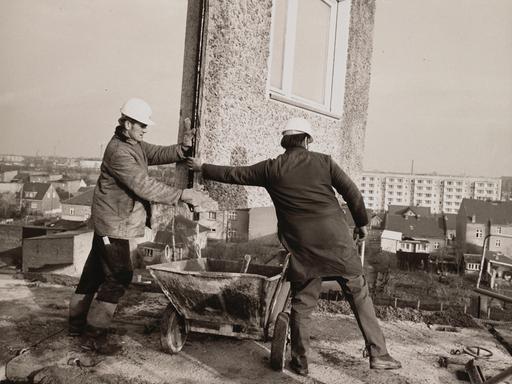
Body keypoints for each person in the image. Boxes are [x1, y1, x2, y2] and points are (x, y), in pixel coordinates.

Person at [186, 117, 401, 374]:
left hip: (303, 249)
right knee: (359, 294)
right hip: (338, 244)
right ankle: (379, 354)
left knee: (302, 305)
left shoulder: (271, 168)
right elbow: (353, 193)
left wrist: (203, 167)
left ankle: (300, 363)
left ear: (285, 141)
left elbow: (235, 174)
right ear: (307, 140)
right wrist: (362, 223)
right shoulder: (325, 162)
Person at [68, 97, 207, 353]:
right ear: (128, 123)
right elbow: (143, 184)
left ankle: (76, 325)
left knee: (94, 274)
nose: (145, 129)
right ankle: (93, 336)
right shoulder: (119, 151)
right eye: (142, 125)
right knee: (120, 276)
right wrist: (181, 195)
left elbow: (155, 153)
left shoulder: (133, 143)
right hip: (113, 224)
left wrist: (182, 148)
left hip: (111, 220)